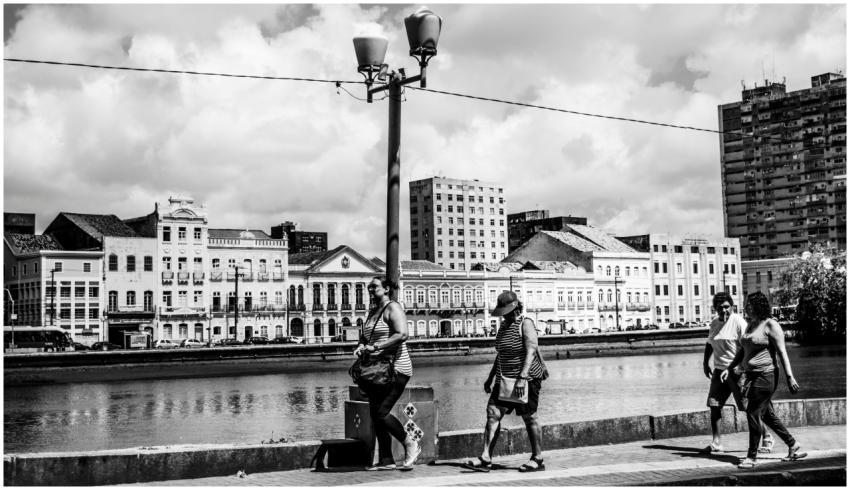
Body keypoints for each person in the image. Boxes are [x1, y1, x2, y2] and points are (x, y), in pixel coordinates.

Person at [463, 291, 548, 473]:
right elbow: (501, 354)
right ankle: (485, 457)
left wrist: (522, 377)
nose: (505, 315)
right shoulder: (503, 327)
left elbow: (532, 350)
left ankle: (537, 458)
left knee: (529, 417)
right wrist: (491, 377)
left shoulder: (525, 324)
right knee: (493, 413)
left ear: (516, 308)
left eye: (507, 311)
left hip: (526, 378)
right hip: (503, 378)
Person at [721, 291, 806, 469]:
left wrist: (790, 377)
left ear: (758, 305)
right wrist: (730, 367)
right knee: (767, 415)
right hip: (750, 376)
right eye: (745, 304)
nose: (746, 307)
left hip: (766, 375)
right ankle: (793, 445)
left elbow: (782, 352)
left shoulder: (770, 324)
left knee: (752, 412)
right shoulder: (751, 325)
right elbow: (742, 351)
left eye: (749, 304)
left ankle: (751, 457)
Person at [353, 276, 419, 471]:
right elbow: (366, 337)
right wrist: (360, 347)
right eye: (369, 287)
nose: (370, 290)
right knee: (375, 414)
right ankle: (386, 459)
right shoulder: (373, 311)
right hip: (377, 370)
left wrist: (376, 346)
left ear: (387, 288)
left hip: (397, 367)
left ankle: (410, 442)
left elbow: (402, 334)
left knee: (382, 412)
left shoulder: (393, 308)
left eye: (374, 286)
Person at [702, 292, 773, 453]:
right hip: (719, 371)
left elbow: (747, 346)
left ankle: (767, 436)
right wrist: (706, 363)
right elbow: (709, 343)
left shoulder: (739, 322)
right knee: (714, 405)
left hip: (736, 371)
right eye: (720, 308)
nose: (724, 310)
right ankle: (716, 442)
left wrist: (740, 367)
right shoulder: (714, 323)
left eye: (727, 307)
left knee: (748, 408)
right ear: (715, 308)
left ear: (732, 307)